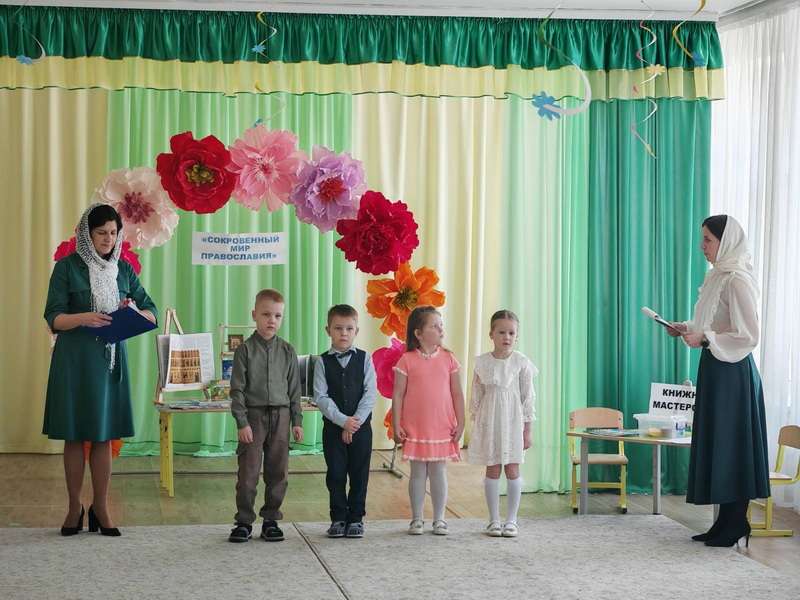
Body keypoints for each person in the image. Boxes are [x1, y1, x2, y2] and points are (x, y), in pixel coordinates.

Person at [43, 203, 157, 537]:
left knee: (104, 435)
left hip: (110, 362)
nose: (108, 239)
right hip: (74, 361)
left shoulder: (123, 270)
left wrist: (132, 309)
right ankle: (74, 507)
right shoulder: (66, 267)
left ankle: (101, 508)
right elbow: (54, 317)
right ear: (86, 234)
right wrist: (85, 318)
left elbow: (150, 310)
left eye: (113, 233)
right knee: (75, 434)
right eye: (101, 233)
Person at [666, 215, 770, 547]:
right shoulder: (718, 276)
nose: (702, 246)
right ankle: (725, 522)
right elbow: (714, 322)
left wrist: (705, 338)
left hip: (733, 373)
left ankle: (736, 522)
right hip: (716, 367)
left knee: (733, 444)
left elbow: (748, 335)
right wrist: (685, 327)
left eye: (708, 239)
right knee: (721, 443)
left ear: (726, 242)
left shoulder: (736, 280)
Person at [228, 289, 303, 543]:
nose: (272, 320)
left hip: (281, 417)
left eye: (278, 316)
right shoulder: (245, 350)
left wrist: (297, 421)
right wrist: (242, 422)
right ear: (254, 315)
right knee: (248, 474)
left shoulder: (288, 351)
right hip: (253, 418)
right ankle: (244, 521)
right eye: (266, 314)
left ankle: (271, 519)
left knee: (278, 472)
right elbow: (237, 390)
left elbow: (294, 390)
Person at [392, 306, 465, 536]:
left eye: (441, 325)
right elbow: (398, 394)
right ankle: (417, 519)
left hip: (442, 426)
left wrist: (461, 423)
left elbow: (457, 394)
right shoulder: (407, 360)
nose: (440, 329)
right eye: (434, 326)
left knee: (438, 472)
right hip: (415, 427)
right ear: (418, 333)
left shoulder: (449, 359)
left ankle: (439, 519)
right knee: (417, 472)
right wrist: (396, 424)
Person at [467, 310, 537, 537]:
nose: (507, 337)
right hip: (490, 421)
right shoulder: (482, 363)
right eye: (501, 332)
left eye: (511, 333)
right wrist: (478, 427)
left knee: (513, 468)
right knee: (492, 468)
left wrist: (527, 429)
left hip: (513, 422)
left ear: (516, 336)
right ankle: (494, 520)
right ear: (491, 334)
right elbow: (476, 396)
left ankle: (512, 520)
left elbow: (528, 397)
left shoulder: (521, 362)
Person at [313, 304, 378, 538]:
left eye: (349, 328)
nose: (343, 333)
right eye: (338, 328)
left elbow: (370, 393)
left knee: (359, 474)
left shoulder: (365, 359)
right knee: (336, 474)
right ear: (328, 330)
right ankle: (338, 517)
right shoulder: (322, 362)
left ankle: (356, 518)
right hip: (333, 430)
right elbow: (321, 397)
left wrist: (354, 423)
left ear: (356, 331)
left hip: (361, 429)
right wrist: (343, 422)